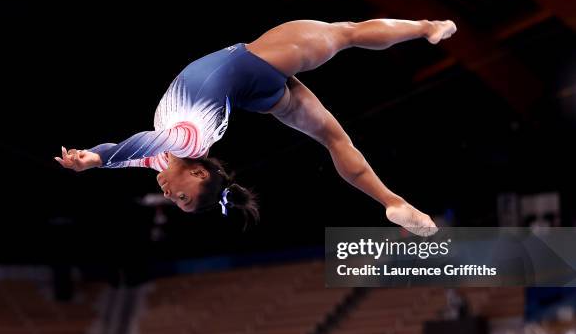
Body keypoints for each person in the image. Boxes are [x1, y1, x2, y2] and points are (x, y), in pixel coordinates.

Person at [55, 19, 457, 235]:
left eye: (177, 203)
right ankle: (427, 26)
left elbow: (127, 153)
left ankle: (392, 201)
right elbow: (139, 141)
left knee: (333, 137)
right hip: (255, 64)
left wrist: (93, 157)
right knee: (347, 34)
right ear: (198, 172)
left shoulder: (160, 157)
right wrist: (98, 159)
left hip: (252, 93)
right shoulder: (188, 139)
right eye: (184, 198)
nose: (171, 197)